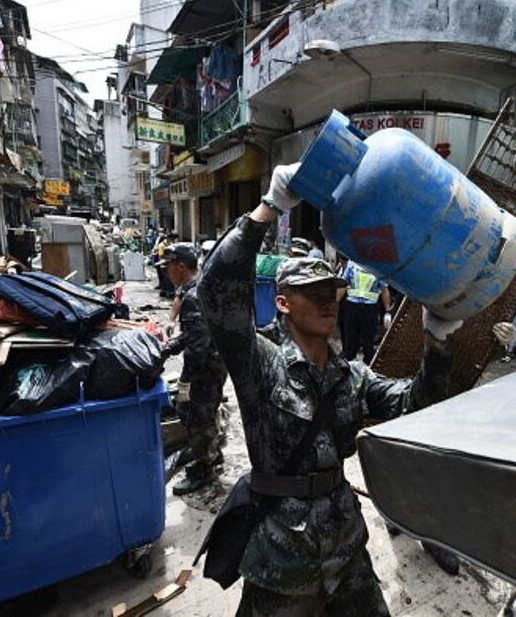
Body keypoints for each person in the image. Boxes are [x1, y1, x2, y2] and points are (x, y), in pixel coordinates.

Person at [198, 163, 464, 615]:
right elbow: (217, 293)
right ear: (283, 303)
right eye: (313, 292)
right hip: (281, 554)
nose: (327, 300)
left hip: (344, 544)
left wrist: (437, 343)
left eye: (332, 292)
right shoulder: (260, 363)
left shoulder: (353, 376)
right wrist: (268, 208)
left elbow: (416, 405)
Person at [160, 243, 228, 495]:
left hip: (206, 368)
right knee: (206, 412)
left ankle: (205, 468)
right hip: (216, 361)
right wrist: (169, 348)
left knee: (193, 414)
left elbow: (197, 347)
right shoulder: (203, 286)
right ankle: (212, 453)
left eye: (168, 267)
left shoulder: (192, 297)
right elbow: (196, 335)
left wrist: (185, 383)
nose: (167, 273)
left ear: (180, 267)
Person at [340, 260, 392, 364]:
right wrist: (335, 303)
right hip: (352, 306)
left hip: (370, 308)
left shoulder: (378, 265)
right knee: (350, 338)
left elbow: (384, 290)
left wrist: (388, 311)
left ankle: (369, 367)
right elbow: (343, 284)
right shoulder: (352, 263)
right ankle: (348, 365)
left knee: (368, 341)